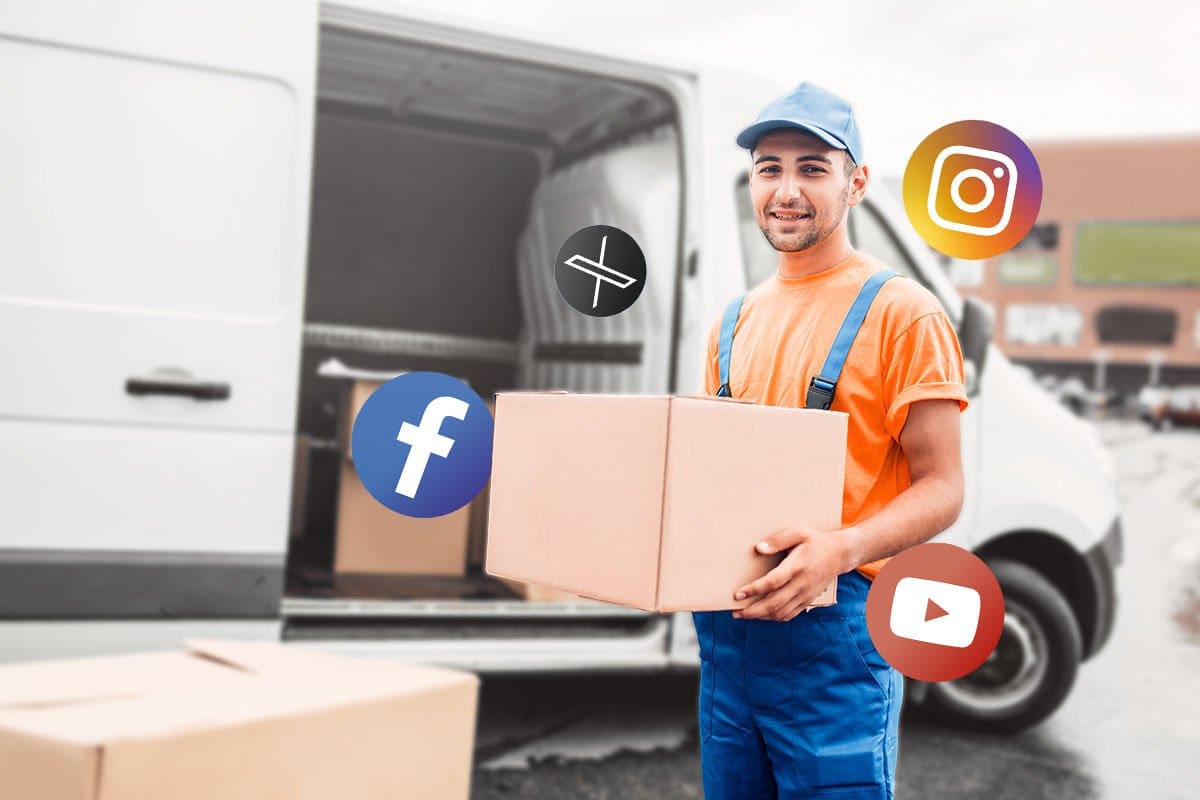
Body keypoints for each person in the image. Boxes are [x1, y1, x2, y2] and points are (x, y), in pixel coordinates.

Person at [692, 82, 969, 799]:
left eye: (813, 167)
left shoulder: (904, 313)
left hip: (836, 644)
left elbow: (944, 488)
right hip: (727, 638)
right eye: (769, 167)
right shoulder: (733, 321)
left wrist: (839, 549)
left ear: (857, 183)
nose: (786, 189)